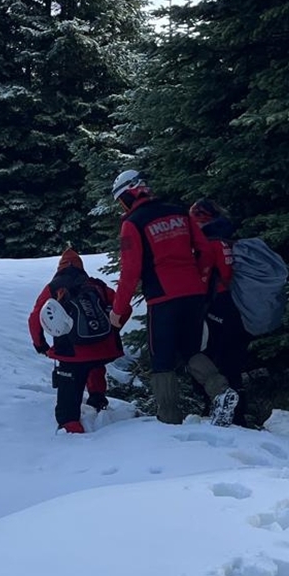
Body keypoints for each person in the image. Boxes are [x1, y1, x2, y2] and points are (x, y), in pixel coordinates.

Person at [110, 170, 237, 426]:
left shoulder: (133, 223)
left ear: (128, 194)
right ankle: (222, 391)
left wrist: (118, 311)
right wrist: (198, 280)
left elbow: (130, 272)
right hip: (194, 295)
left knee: (163, 360)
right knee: (191, 349)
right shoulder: (179, 212)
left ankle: (168, 420)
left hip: (162, 298)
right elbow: (205, 251)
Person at [28, 248, 124, 433]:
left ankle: (70, 427)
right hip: (103, 350)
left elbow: (35, 318)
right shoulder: (97, 285)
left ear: (60, 267)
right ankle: (98, 401)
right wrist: (112, 330)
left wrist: (41, 345)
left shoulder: (54, 288)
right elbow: (123, 307)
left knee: (69, 387)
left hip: (70, 353)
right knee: (95, 366)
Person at [189, 197, 251, 426]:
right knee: (232, 357)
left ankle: (222, 408)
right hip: (234, 304)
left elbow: (209, 276)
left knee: (211, 355)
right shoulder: (228, 237)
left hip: (216, 304)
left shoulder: (208, 242)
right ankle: (239, 412)